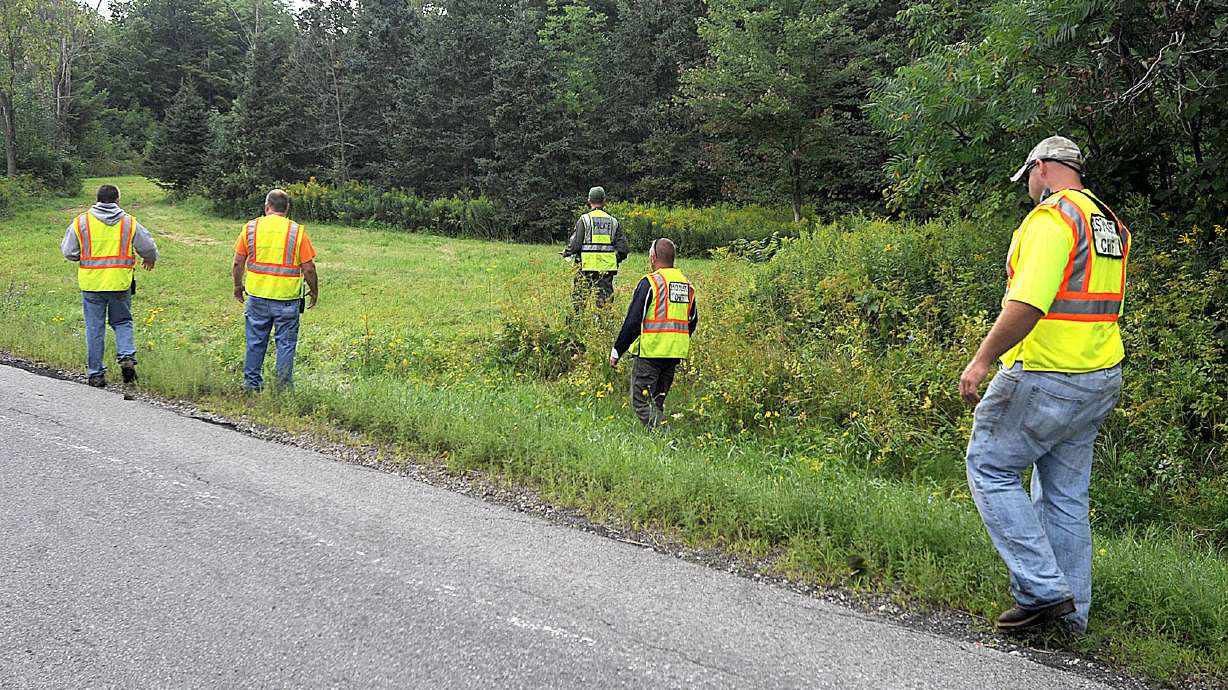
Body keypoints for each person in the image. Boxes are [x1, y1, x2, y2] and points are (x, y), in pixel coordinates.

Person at [959, 136, 1131, 633]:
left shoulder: (1054, 219)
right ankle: (1069, 620)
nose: (1030, 189)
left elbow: (1029, 302)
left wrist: (981, 360)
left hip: (1045, 374)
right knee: (1064, 495)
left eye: (1029, 178)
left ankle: (1042, 589)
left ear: (1040, 168)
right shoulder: (1109, 224)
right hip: (1098, 375)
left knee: (989, 466)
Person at [60, 184, 158, 388]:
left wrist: (84, 256)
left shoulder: (82, 221)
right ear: (117, 200)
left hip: (92, 284)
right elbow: (148, 246)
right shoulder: (129, 222)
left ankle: (96, 374)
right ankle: (126, 358)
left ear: (97, 199)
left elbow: (68, 251)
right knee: (122, 322)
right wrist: (149, 258)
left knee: (94, 328)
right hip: (119, 283)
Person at [231, 189, 319, 392]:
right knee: (286, 345)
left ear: (266, 206)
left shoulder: (250, 228)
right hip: (287, 301)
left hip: (257, 297)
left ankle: (252, 387)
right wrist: (314, 291)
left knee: (255, 342)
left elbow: (237, 263)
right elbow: (309, 267)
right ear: (287, 208)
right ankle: (282, 390)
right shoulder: (297, 232)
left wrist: (237, 286)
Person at [608, 238, 698, 430]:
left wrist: (617, 350)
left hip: (651, 351)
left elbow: (633, 321)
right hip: (674, 353)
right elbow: (692, 321)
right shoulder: (687, 286)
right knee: (657, 400)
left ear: (653, 257)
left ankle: (665, 433)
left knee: (641, 401)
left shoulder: (651, 283)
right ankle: (658, 442)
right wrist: (675, 340)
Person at [562, 186, 628, 307]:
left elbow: (576, 245)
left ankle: (578, 323)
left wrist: (566, 252)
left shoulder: (585, 220)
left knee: (579, 300)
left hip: (585, 266)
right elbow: (623, 249)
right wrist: (615, 259)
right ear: (604, 201)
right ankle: (603, 324)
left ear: (589, 200)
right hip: (606, 268)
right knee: (604, 303)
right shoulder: (613, 222)